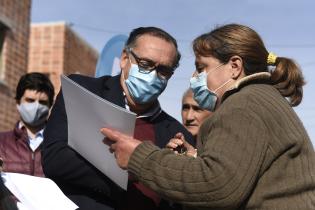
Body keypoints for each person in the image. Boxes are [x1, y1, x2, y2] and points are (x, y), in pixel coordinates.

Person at [101, 23, 315, 210]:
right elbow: (236, 172)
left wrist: (139, 157)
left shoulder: (242, 105)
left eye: (201, 68)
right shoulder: (261, 98)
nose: (194, 78)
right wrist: (196, 159)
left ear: (234, 66)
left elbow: (218, 186)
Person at [42, 27, 194, 210]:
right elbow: (55, 159)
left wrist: (172, 169)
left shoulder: (178, 134)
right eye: (146, 64)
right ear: (124, 59)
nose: (153, 75)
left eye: (163, 70)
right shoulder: (82, 91)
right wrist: (134, 168)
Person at [0, 72, 54, 177]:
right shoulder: (1, 143)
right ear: (18, 102)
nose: (36, 106)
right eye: (30, 100)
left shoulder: (58, 145)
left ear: (50, 106)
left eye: (42, 102)